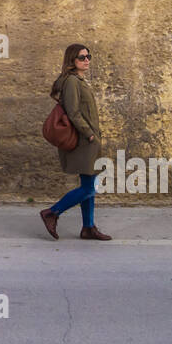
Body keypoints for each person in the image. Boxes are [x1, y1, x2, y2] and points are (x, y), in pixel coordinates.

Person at [39, 43, 112, 241]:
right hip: (83, 140)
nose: (87, 60)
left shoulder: (79, 81)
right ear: (72, 60)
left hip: (89, 140)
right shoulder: (71, 81)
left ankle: (88, 228)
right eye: (82, 57)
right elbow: (73, 112)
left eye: (88, 56)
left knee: (89, 183)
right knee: (89, 187)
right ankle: (52, 213)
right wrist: (89, 134)